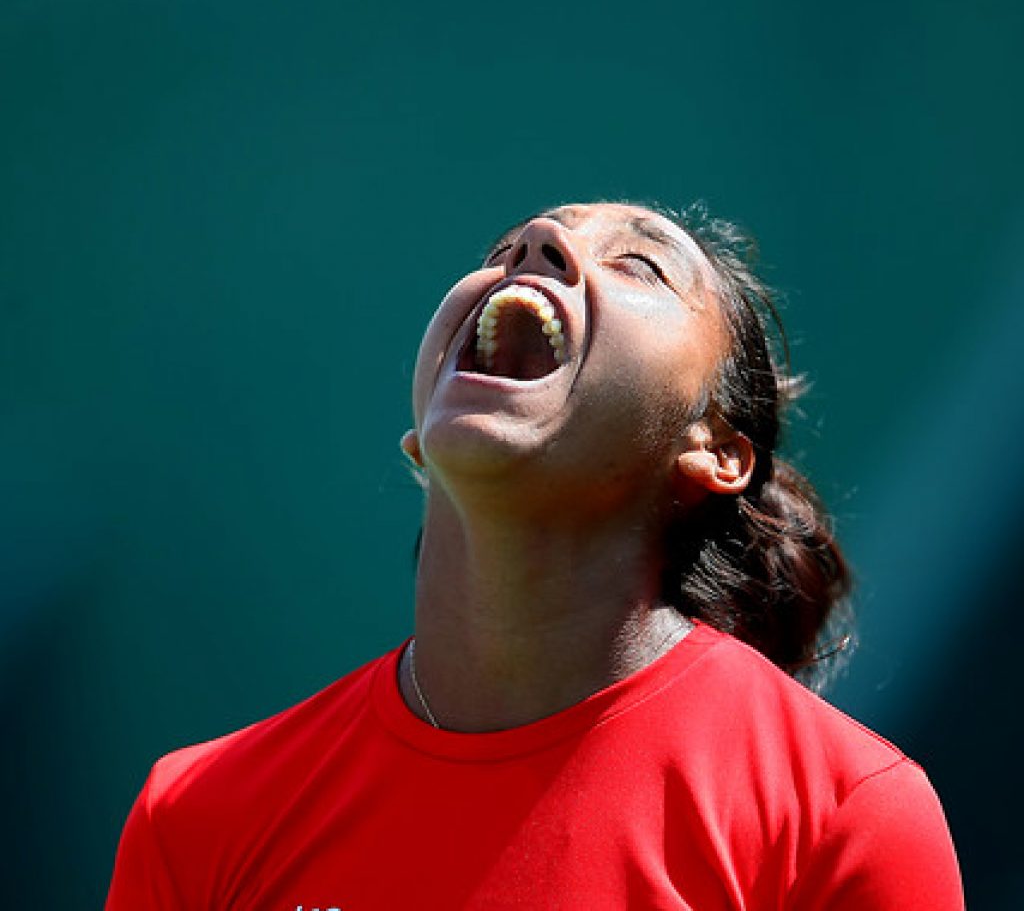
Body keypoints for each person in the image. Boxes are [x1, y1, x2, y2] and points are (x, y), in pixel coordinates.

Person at [105, 201, 964, 909]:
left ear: (716, 452)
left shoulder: (848, 818)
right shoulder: (194, 816)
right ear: (420, 437)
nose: (538, 248)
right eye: (505, 249)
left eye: (639, 265)